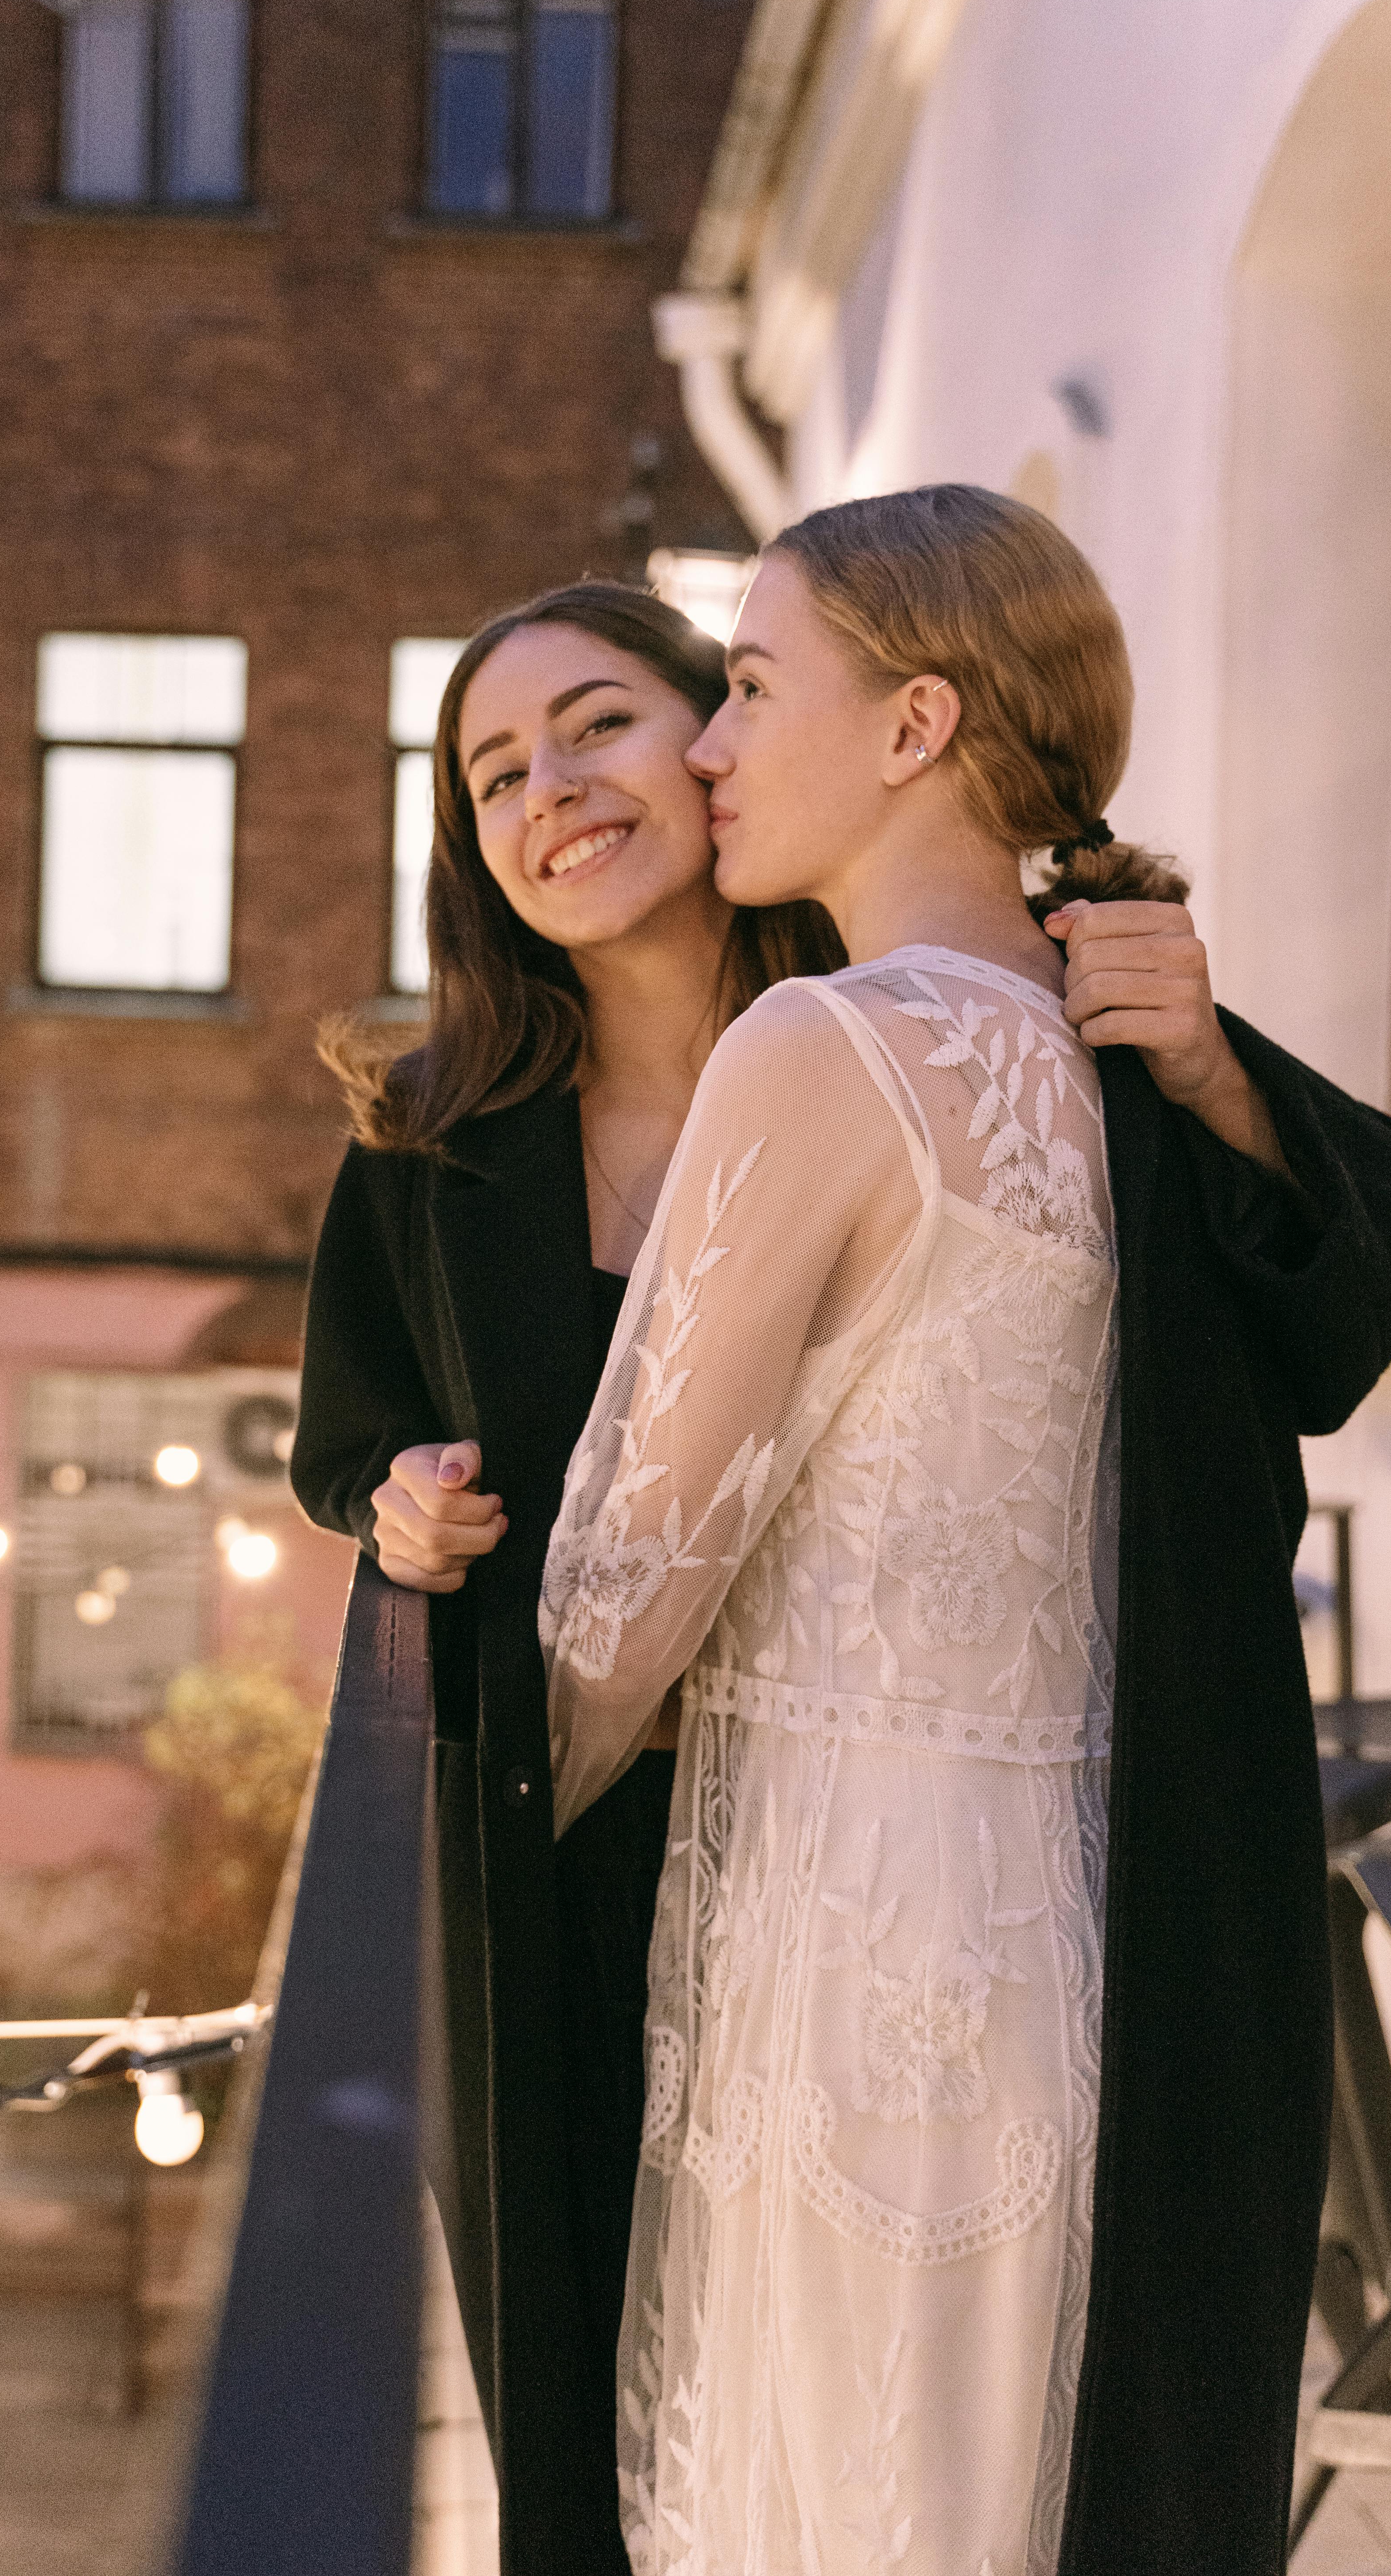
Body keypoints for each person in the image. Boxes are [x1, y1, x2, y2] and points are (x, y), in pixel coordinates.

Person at [537, 487, 1391, 2576]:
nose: (703, 747)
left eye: (752, 687)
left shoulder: (825, 1050)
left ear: (914, 725)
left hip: (846, 1953)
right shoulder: (1122, 1070)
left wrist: (486, 1857)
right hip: (1064, 1954)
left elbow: (625, 1584)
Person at [290, 580, 842, 2576]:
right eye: (495, 772)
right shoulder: (431, 1144)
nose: (553, 792)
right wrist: (397, 1508)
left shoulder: (910, 1050)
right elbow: (341, 1445)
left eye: (598, 726)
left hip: (857, 1850)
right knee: (587, 2422)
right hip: (557, 1864)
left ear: (720, 739)